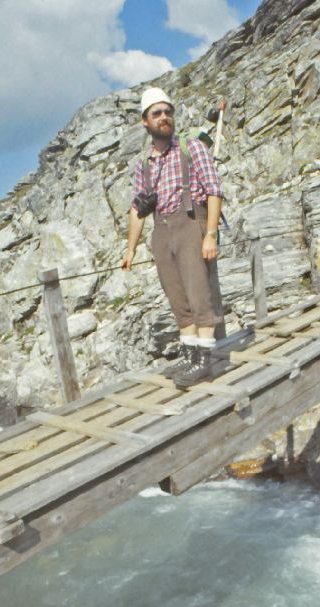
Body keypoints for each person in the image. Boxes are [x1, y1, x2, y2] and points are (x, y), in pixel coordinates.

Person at [121, 87, 224, 387]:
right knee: (178, 297)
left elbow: (215, 190)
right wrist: (130, 249)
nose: (164, 117)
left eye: (168, 112)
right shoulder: (144, 164)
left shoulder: (192, 148)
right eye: (157, 113)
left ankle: (204, 360)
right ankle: (190, 356)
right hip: (162, 232)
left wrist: (211, 235)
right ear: (145, 121)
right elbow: (137, 209)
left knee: (198, 293)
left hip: (191, 224)